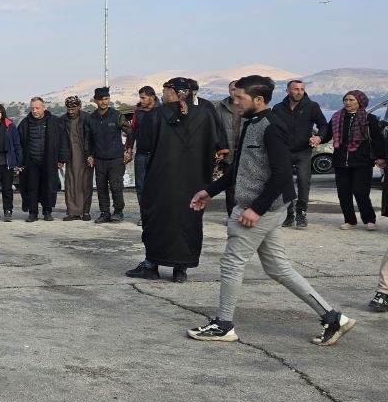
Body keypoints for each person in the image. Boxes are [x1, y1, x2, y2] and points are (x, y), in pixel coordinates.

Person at [188, 75, 356, 347]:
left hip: (262, 208)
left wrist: (256, 209)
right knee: (278, 268)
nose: (235, 101)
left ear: (258, 99)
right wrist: (210, 191)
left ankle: (223, 325)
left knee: (232, 263)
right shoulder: (252, 123)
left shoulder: (271, 127)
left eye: (240, 97)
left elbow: (282, 174)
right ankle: (333, 317)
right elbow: (240, 168)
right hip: (262, 206)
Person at [127, 78, 225, 283]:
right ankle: (181, 269)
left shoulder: (157, 114)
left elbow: (145, 145)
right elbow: (219, 145)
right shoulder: (207, 113)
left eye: (164, 91)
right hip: (195, 180)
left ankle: (151, 266)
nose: (162, 96)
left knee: (157, 220)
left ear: (172, 92)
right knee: (188, 221)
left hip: (162, 179)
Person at [271, 80, 329, 228]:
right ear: (287, 90)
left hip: (303, 151)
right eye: (295, 89)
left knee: (303, 181)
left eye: (302, 89)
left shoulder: (312, 106)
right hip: (283, 151)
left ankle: (301, 213)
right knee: (285, 183)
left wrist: (319, 137)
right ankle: (289, 214)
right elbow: (272, 129)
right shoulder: (278, 108)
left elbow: (323, 125)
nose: (299, 92)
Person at [330, 90, 386, 230]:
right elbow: (327, 134)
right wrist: (317, 137)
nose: (347, 102)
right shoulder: (337, 117)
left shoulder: (369, 118)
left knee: (361, 192)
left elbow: (377, 139)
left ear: (360, 102)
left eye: (351, 100)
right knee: (343, 193)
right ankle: (350, 221)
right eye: (346, 100)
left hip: (362, 162)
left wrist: (380, 157)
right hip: (341, 161)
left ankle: (369, 220)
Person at [17, 97, 68, 222]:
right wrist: (19, 162)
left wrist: (61, 159)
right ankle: (33, 213)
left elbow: (63, 141)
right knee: (31, 187)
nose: (35, 111)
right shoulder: (25, 123)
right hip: (31, 161)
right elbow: (18, 144)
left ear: (44, 108)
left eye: (37, 108)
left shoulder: (55, 121)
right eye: (32, 108)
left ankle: (47, 211)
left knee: (49, 187)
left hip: (49, 160)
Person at [84, 87, 131, 223]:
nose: (104, 102)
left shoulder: (117, 115)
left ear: (109, 99)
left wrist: (128, 150)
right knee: (101, 187)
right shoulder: (91, 118)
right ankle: (104, 213)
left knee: (116, 186)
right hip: (99, 159)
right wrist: (89, 155)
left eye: (106, 99)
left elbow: (130, 132)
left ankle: (118, 211)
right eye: (100, 99)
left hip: (116, 159)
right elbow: (88, 140)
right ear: (95, 101)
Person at [61, 96, 94, 221]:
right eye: (68, 109)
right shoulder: (63, 119)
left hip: (86, 156)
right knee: (71, 184)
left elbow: (93, 138)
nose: (70, 111)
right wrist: (61, 158)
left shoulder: (87, 118)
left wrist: (92, 155)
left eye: (73, 109)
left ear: (79, 106)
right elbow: (60, 140)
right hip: (70, 157)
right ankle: (72, 212)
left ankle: (85, 212)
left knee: (85, 184)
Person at [213, 81, 243, 213]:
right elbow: (215, 131)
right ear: (229, 90)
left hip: (245, 153)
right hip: (228, 153)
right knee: (230, 187)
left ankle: (244, 214)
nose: (234, 92)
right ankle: (232, 216)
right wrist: (219, 150)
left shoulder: (247, 106)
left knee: (245, 187)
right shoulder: (220, 108)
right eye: (232, 89)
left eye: (237, 89)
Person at [128, 86, 158, 209]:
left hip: (156, 155)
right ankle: (144, 213)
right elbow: (132, 131)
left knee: (156, 186)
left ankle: (156, 213)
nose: (141, 100)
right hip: (140, 155)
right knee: (140, 186)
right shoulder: (138, 112)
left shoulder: (161, 111)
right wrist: (129, 149)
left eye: (143, 98)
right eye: (140, 98)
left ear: (152, 97)